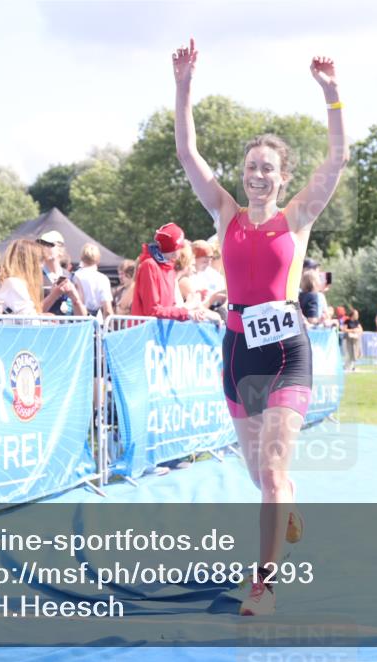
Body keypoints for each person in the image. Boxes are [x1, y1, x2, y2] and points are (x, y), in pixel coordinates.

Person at [173, 38, 348, 615]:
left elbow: (337, 161)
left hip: (285, 356)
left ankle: (264, 587)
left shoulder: (296, 218)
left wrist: (332, 98)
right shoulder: (224, 214)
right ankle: (286, 499)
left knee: (272, 473)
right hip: (238, 354)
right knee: (260, 476)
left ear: (281, 176)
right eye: (250, 167)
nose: (257, 175)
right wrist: (184, 86)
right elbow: (187, 153)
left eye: (267, 168)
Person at [132, 223, 220, 322]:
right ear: (175, 249)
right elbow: (152, 311)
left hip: (162, 331)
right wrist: (186, 311)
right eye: (180, 247)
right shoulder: (149, 266)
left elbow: (172, 306)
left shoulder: (169, 267)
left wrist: (193, 313)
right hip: (145, 332)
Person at [37, 230, 86, 317]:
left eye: (49, 245)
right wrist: (55, 294)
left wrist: (75, 299)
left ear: (60, 250)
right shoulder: (36, 276)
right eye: (42, 245)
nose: (44, 248)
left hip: (68, 329)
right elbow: (33, 314)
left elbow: (82, 316)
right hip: (44, 329)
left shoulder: (72, 277)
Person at [0, 239, 45, 316]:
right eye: (40, 260)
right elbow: (30, 320)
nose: (42, 265)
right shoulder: (15, 284)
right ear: (29, 262)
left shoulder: (11, 282)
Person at [74, 243, 114, 323]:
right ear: (98, 259)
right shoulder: (103, 279)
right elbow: (108, 309)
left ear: (82, 258)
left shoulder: (76, 276)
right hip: (97, 322)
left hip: (78, 320)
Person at [190, 239, 227, 311]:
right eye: (204, 261)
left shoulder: (212, 274)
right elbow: (194, 309)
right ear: (193, 259)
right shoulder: (187, 278)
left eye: (210, 260)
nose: (208, 264)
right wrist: (212, 299)